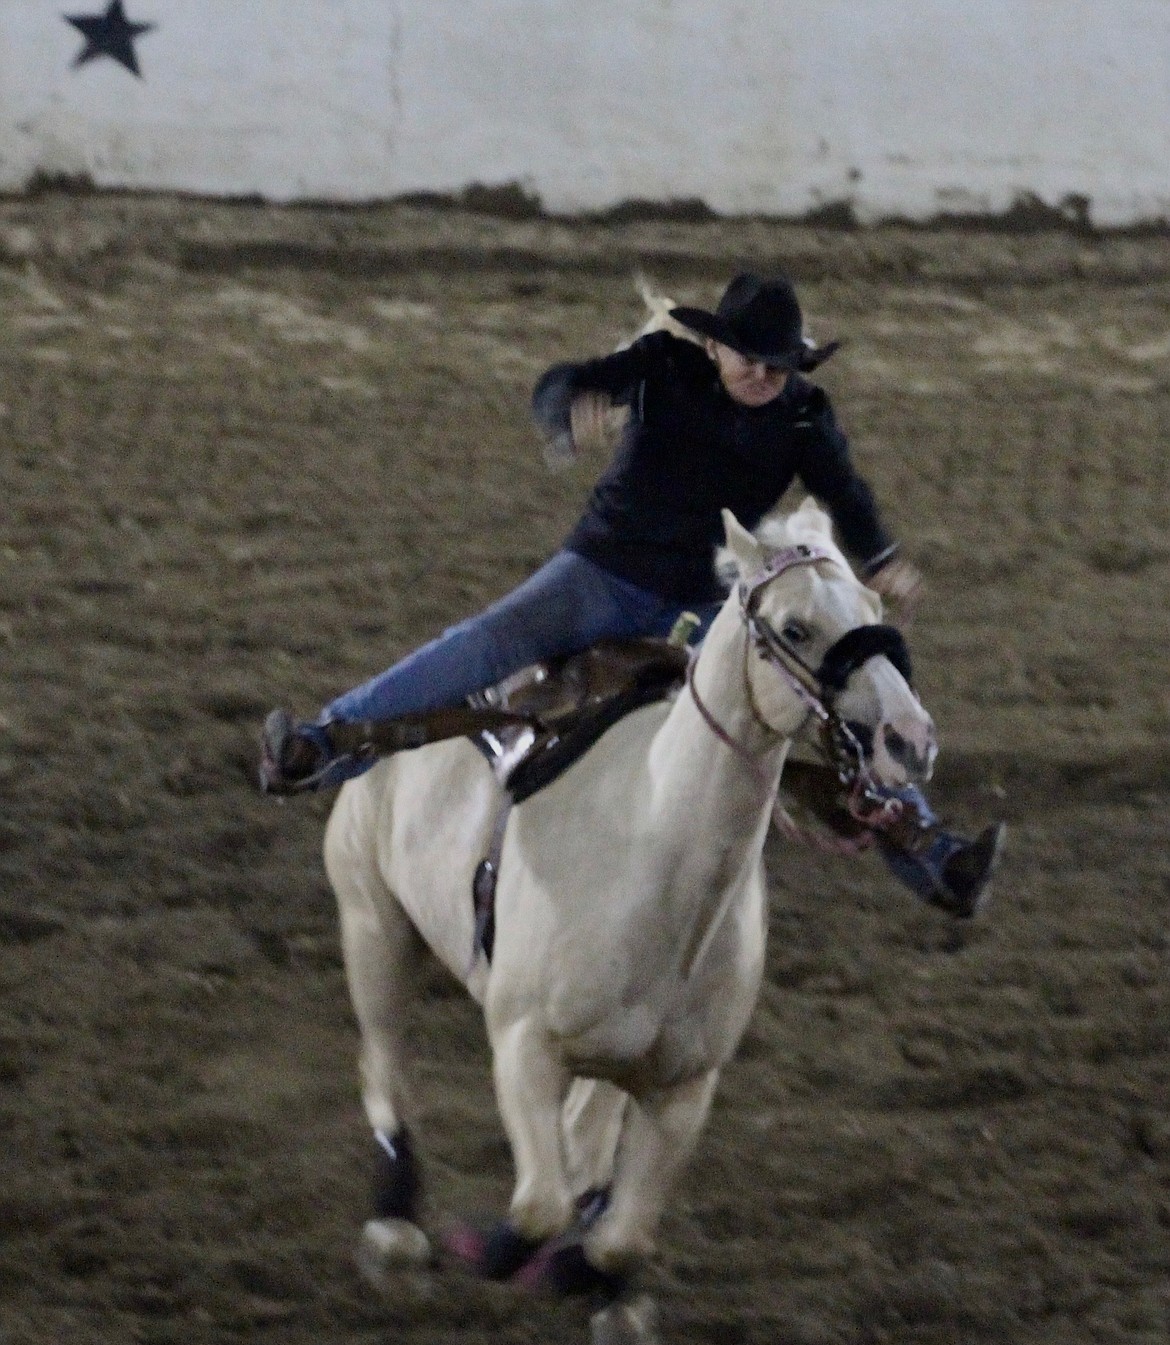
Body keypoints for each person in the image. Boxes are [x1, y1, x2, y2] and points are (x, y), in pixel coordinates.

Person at [260, 271, 1003, 918]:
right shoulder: (660, 367)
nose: (765, 378)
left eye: (780, 367)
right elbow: (564, 383)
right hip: (601, 574)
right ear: (712, 346)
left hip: (707, 602)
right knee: (488, 644)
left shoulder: (805, 414)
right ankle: (327, 740)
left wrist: (879, 555)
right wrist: (567, 416)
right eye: (753, 361)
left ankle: (930, 848)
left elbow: (843, 488)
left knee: (821, 692)